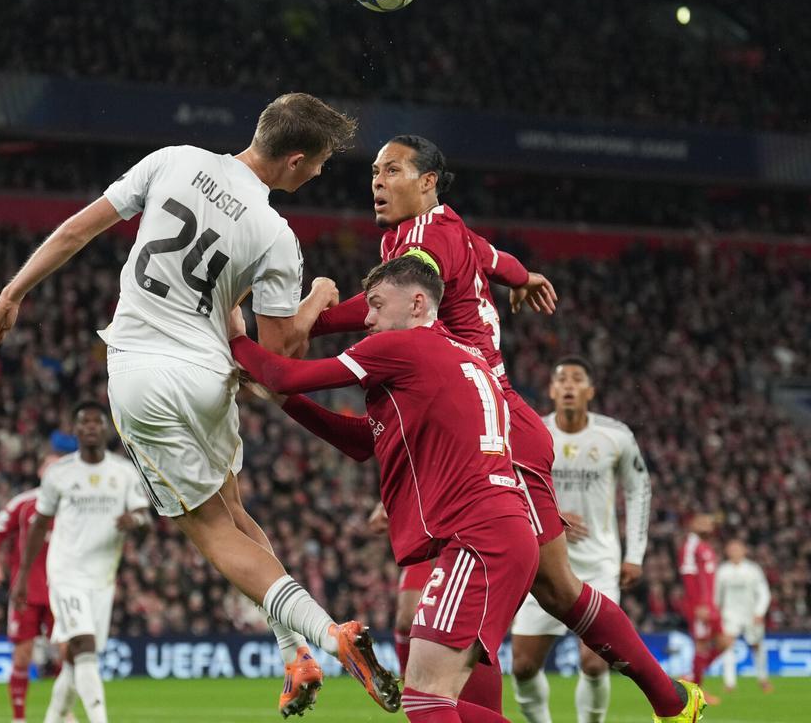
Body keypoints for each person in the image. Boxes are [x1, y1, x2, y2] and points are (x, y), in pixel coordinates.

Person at [0, 93, 400, 715]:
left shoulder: (173, 160)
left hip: (143, 373)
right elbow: (280, 353)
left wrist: (12, 293)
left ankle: (329, 635)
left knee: (209, 531)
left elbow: (77, 229)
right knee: (233, 511)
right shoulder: (275, 234)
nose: (318, 174)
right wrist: (316, 299)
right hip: (209, 376)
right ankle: (296, 654)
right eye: (320, 164)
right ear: (295, 159)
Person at [308, 134, 703, 723]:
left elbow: (390, 304)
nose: (377, 182)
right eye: (373, 172)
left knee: (461, 613)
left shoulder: (422, 242)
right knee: (546, 593)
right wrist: (524, 276)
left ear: (429, 182)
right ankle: (671, 701)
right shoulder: (445, 229)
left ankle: (669, 701)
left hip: (484, 428)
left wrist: (308, 318)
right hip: (485, 422)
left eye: (391, 170)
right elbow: (493, 256)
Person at [232, 257, 539, 723]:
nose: (367, 318)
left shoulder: (405, 347)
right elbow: (362, 443)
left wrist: (232, 339)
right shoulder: (456, 354)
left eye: (375, 305)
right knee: (442, 700)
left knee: (425, 699)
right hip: (495, 533)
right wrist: (284, 401)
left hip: (479, 538)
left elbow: (284, 372)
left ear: (417, 303)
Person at [510, 356, 652, 723]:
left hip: (599, 564)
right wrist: (550, 516)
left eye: (577, 379)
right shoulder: (530, 432)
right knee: (523, 666)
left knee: (595, 662)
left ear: (590, 391)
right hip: (543, 562)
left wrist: (634, 554)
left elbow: (639, 490)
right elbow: (507, 486)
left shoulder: (615, 436)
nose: (569, 385)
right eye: (562, 379)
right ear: (552, 391)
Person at [13, 402, 151, 723]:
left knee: (78, 658)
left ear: (106, 429)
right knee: (83, 644)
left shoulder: (124, 473)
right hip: (66, 573)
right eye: (83, 422)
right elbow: (38, 525)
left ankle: (54, 716)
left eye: (96, 422)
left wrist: (136, 521)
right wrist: (22, 577)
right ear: (75, 431)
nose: (90, 427)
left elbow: (145, 517)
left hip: (102, 579)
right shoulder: (59, 474)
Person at [0, 454, 77, 723]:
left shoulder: (74, 504)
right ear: (40, 471)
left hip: (63, 591)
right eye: (49, 465)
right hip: (27, 593)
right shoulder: (23, 503)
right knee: (23, 655)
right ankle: (19, 718)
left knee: (67, 654)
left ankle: (64, 712)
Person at [368, 503, 433, 675]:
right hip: (425, 549)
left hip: (457, 543)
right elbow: (376, 524)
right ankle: (406, 676)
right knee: (406, 619)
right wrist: (383, 507)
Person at [680, 513, 734, 702]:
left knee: (725, 642)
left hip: (710, 605)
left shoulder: (705, 546)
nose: (707, 524)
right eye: (701, 521)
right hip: (700, 606)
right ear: (692, 525)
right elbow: (688, 577)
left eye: (708, 521)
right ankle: (696, 691)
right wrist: (698, 605)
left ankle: (690, 677)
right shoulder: (691, 546)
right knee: (702, 645)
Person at [715, 539, 772, 694]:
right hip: (729, 614)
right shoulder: (722, 570)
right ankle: (730, 683)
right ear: (727, 552)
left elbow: (764, 592)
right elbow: (717, 595)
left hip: (751, 614)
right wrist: (717, 614)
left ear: (744, 550)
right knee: (728, 646)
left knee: (757, 645)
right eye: (732, 549)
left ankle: (763, 679)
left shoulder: (753, 569)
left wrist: (759, 612)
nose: (735, 552)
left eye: (737, 549)